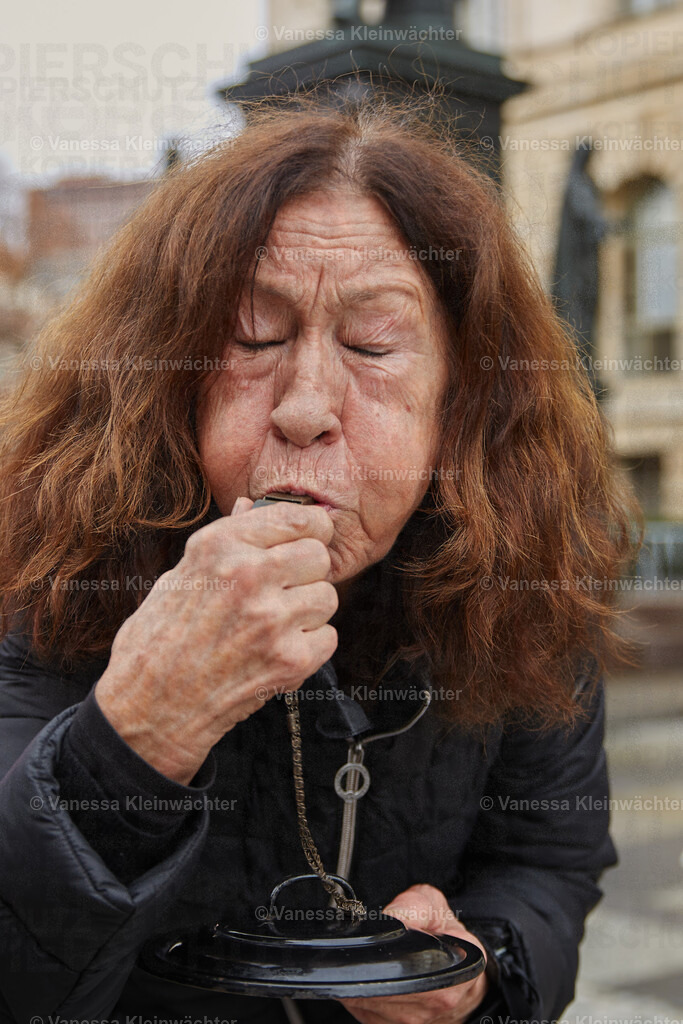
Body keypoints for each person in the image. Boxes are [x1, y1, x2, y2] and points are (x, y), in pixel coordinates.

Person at [0, 95, 639, 1024]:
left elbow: (545, 861)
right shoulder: (53, 574)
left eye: (373, 344)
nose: (305, 405)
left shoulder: (526, 581)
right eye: (252, 338)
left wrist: (484, 970)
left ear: (458, 403)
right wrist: (136, 733)